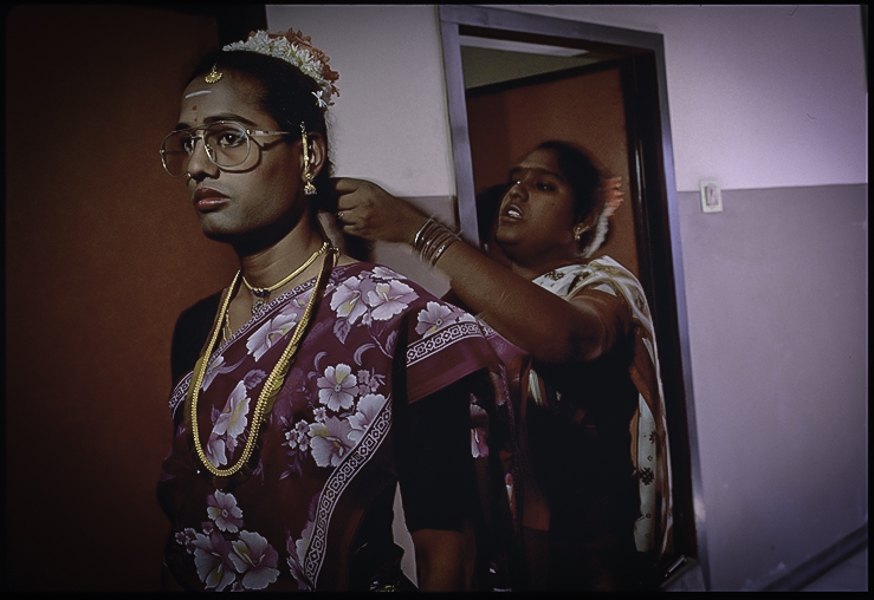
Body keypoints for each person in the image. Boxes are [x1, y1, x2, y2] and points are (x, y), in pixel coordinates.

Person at [154, 27, 516, 592]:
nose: (199, 166)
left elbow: (450, 550)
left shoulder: (399, 322)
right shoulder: (196, 327)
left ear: (308, 153)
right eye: (188, 142)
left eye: (228, 138)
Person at [333, 140, 673, 591]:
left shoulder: (606, 285)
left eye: (543, 184)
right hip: (500, 563)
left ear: (582, 220)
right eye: (514, 179)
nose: (517, 191)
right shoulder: (475, 304)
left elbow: (569, 338)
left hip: (586, 567)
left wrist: (419, 231)